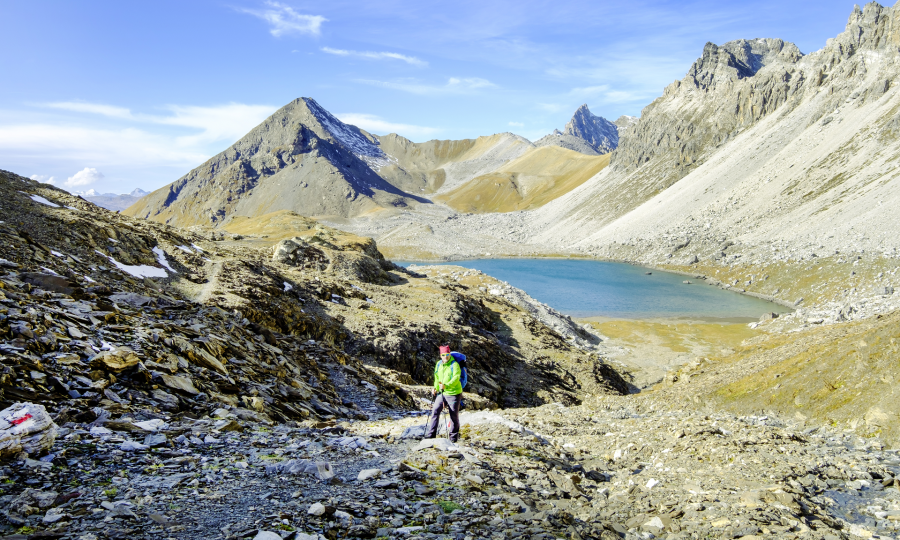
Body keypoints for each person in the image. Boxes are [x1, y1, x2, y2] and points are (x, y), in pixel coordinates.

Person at [423, 345, 463, 443]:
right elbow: (437, 377)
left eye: (447, 354)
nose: (446, 356)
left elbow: (456, 378)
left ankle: (453, 439)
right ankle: (431, 435)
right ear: (440, 355)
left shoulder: (455, 365)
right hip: (442, 393)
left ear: (450, 354)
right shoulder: (438, 364)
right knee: (435, 412)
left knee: (453, 415)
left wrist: (446, 386)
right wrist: (435, 388)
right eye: (443, 355)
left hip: (454, 393)